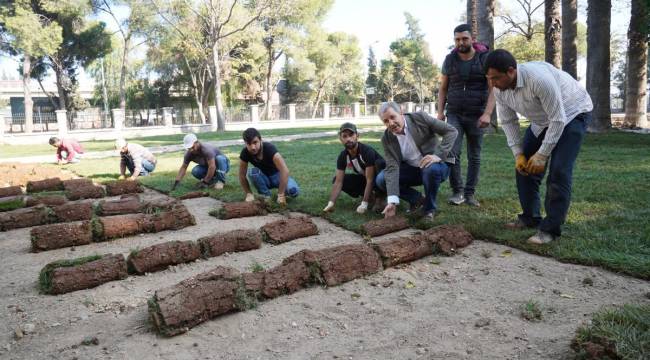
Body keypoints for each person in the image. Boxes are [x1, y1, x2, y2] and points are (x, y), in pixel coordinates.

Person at [484, 49, 593, 244]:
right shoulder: (499, 89)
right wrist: (518, 154)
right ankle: (530, 217)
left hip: (572, 113)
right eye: (489, 79)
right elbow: (508, 122)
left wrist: (542, 155)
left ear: (510, 71)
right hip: (542, 120)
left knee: (559, 171)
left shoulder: (539, 80)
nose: (492, 84)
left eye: (496, 78)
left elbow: (558, 119)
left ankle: (550, 230)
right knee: (524, 167)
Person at [438, 23, 495, 207]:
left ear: (472, 39)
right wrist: (440, 112)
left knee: (475, 155)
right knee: (452, 152)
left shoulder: (483, 58)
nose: (460, 42)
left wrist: (487, 113)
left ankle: (470, 194)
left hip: (477, 114)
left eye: (464, 38)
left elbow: (493, 89)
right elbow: (443, 88)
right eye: (457, 39)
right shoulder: (449, 59)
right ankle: (457, 192)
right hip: (454, 113)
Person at [375, 102, 458, 220]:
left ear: (401, 112)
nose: (391, 123)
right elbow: (392, 168)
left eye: (393, 117)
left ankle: (429, 210)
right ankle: (418, 199)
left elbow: (451, 131)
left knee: (430, 168)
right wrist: (392, 202)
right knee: (381, 179)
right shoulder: (387, 138)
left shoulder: (419, 118)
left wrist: (438, 155)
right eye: (386, 121)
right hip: (413, 170)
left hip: (437, 166)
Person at [322, 122, 386, 214]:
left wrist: (364, 203)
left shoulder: (367, 151)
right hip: (367, 179)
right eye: (344, 136)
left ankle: (381, 196)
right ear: (340, 139)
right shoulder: (343, 156)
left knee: (379, 165)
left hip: (380, 179)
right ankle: (371, 197)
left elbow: (370, 179)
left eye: (351, 135)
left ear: (357, 136)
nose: (348, 139)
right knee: (337, 179)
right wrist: (331, 203)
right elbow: (338, 181)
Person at [238, 128, 299, 205]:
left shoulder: (269, 148)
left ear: (260, 140)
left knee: (293, 191)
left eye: (255, 142)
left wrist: (281, 194)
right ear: (245, 143)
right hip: (263, 178)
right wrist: (248, 193)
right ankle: (266, 196)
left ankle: (280, 194)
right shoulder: (245, 153)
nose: (253, 147)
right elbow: (241, 175)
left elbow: (285, 171)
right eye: (249, 144)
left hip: (277, 176)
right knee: (252, 172)